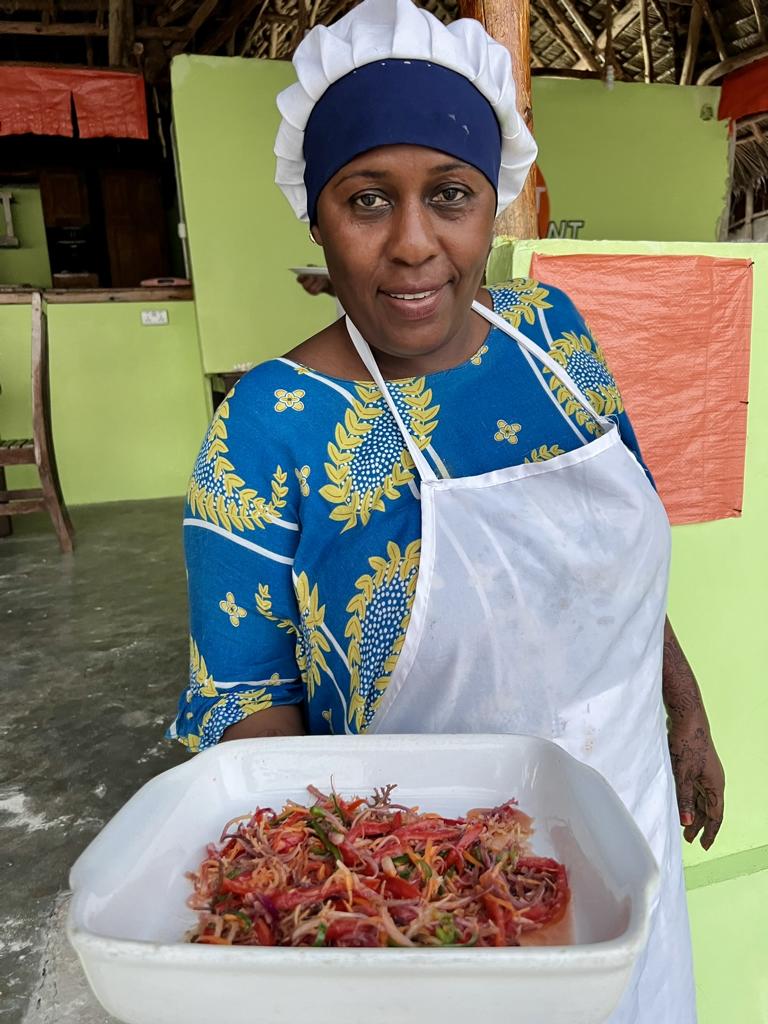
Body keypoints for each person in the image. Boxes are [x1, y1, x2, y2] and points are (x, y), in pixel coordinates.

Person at [169, 0, 724, 1018]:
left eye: (452, 194)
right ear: (316, 214)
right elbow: (249, 716)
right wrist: (348, 926)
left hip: (627, 822)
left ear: (493, 201)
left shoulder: (549, 337)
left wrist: (684, 708)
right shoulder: (267, 427)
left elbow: (614, 550)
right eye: (367, 200)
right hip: (421, 907)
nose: (414, 244)